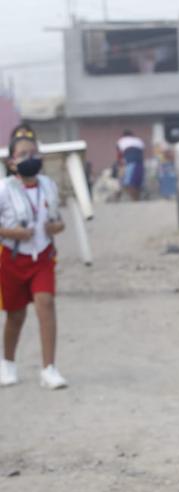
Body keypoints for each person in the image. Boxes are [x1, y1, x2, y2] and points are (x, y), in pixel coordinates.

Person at [0, 124, 68, 389]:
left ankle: (49, 368)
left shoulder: (48, 186)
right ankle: (7, 362)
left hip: (42, 257)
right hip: (12, 259)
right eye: (23, 154)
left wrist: (56, 228)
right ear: (12, 161)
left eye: (33, 153)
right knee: (16, 316)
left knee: (46, 304)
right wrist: (12, 232)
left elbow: (58, 221)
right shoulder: (4, 189)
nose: (30, 159)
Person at [116, 129, 145, 201]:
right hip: (140, 163)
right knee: (138, 183)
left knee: (128, 183)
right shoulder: (138, 140)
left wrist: (119, 164)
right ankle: (136, 198)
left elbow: (119, 154)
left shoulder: (121, 140)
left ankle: (134, 199)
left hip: (130, 162)